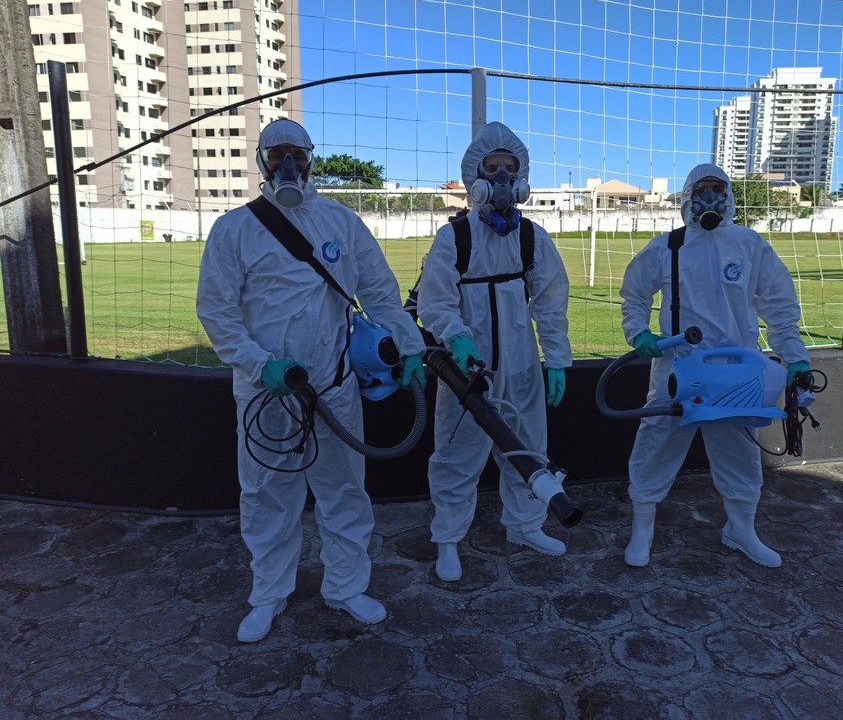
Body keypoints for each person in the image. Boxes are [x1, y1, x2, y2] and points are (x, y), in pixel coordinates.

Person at [197, 118, 426, 642]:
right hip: (267, 391)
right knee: (267, 495)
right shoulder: (234, 229)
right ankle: (268, 595)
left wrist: (409, 347)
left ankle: (346, 587)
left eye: (297, 154)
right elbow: (217, 311)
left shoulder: (341, 223)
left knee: (344, 490)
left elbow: (382, 294)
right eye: (277, 154)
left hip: (334, 385)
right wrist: (259, 365)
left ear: (312, 160)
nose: (288, 165)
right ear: (260, 160)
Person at [619, 163, 810, 569]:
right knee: (656, 444)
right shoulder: (667, 247)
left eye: (718, 190)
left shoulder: (750, 245)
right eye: (702, 191)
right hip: (679, 368)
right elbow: (634, 295)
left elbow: (778, 307)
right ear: (688, 197)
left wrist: (795, 358)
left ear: (729, 197)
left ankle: (741, 529)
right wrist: (639, 333)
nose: (710, 200)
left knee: (739, 451)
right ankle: (642, 528)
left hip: (736, 370)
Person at [415, 121, 573, 582]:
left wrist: (558, 358)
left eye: (511, 169)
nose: (503, 178)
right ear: (474, 178)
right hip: (469, 370)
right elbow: (435, 299)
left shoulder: (532, 237)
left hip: (521, 365)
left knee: (528, 449)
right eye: (493, 168)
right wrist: (456, 337)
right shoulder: (455, 237)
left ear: (522, 177)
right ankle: (447, 538)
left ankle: (525, 526)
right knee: (457, 454)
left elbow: (550, 300)